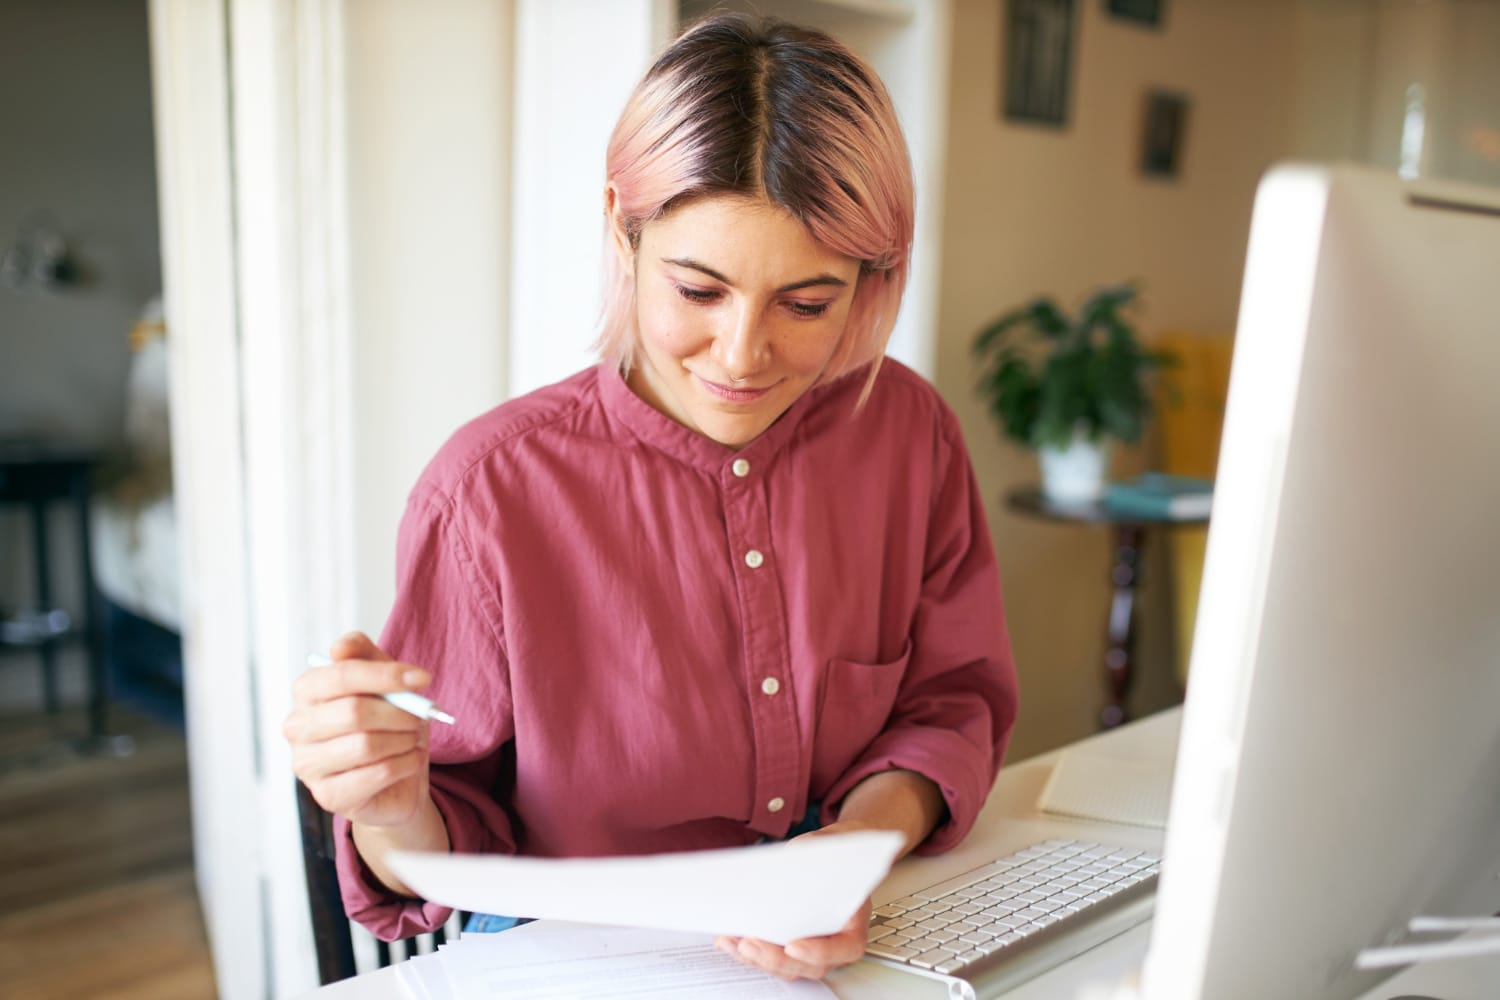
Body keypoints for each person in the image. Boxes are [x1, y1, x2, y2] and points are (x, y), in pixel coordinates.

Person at [283, 13, 1018, 982]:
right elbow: (442, 833)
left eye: (807, 304)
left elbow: (951, 703)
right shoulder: (488, 493)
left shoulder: (909, 435)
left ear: (870, 279)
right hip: (571, 958)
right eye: (699, 291)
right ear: (623, 230)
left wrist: (848, 852)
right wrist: (389, 807)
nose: (743, 355)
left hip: (852, 936)